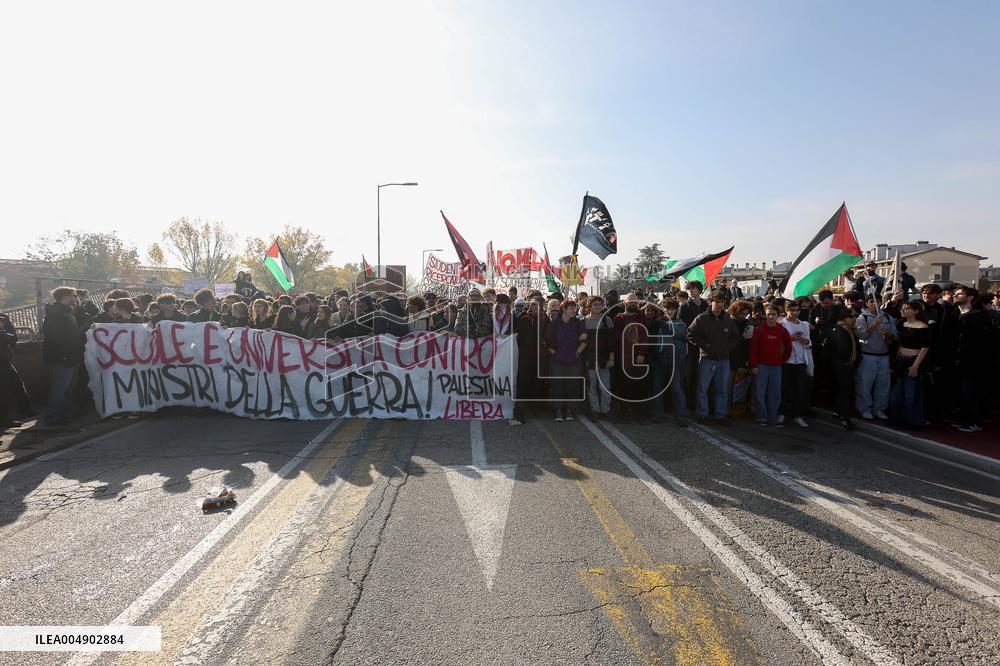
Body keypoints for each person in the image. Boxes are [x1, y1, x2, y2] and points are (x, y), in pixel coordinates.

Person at [688, 292, 741, 423]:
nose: (719, 305)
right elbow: (691, 334)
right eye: (716, 301)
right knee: (702, 388)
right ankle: (701, 414)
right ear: (710, 302)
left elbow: (736, 337)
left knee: (722, 389)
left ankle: (720, 415)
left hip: (724, 360)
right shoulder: (701, 318)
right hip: (707, 359)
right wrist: (705, 345)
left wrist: (728, 348)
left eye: (722, 302)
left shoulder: (728, 320)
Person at [953, 286, 992, 432]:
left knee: (970, 393)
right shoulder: (957, 314)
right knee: (960, 393)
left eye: (959, 294)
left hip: (973, 363)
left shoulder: (978, 316)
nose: (955, 296)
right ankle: (964, 419)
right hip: (958, 361)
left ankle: (974, 422)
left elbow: (984, 342)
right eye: (955, 294)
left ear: (969, 298)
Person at [42, 287, 83, 427]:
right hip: (63, 357)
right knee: (60, 387)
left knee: (67, 387)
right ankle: (54, 417)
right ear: (66, 297)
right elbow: (54, 337)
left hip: (70, 356)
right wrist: (64, 355)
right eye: (74, 295)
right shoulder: (56, 313)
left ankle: (64, 414)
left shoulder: (66, 312)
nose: (76, 297)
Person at [888, 300, 931, 429]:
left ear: (916, 311)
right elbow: (900, 344)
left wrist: (915, 366)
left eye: (907, 309)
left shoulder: (923, 327)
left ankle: (912, 421)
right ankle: (896, 419)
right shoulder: (902, 324)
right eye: (903, 308)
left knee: (911, 394)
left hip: (913, 361)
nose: (903, 310)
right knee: (897, 393)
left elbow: (925, 347)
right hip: (901, 360)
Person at [544, 299, 587, 422]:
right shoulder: (554, 324)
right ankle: (558, 410)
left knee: (572, 385)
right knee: (557, 385)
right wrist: (556, 355)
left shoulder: (577, 323)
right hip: (557, 361)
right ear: (564, 309)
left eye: (575, 308)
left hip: (573, 360)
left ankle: (570, 410)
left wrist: (577, 353)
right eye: (571, 308)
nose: (574, 310)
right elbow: (548, 342)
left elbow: (584, 339)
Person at [749, 304, 792, 426]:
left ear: (778, 316)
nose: (771, 317)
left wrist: (781, 360)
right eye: (768, 314)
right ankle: (761, 417)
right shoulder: (759, 329)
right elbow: (753, 349)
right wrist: (754, 365)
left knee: (775, 393)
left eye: (773, 314)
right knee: (760, 392)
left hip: (776, 367)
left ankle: (772, 417)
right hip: (761, 366)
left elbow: (789, 348)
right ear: (765, 315)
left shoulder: (782, 330)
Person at [855, 295, 896, 420]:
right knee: (865, 384)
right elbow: (861, 335)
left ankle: (879, 409)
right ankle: (865, 409)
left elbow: (894, 337)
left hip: (884, 356)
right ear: (867, 304)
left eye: (877, 301)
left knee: (883, 385)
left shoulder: (888, 318)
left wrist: (887, 334)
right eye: (871, 301)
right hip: (868, 356)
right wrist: (873, 325)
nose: (875, 304)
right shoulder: (862, 318)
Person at [613, 294, 649, 421]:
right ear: (624, 303)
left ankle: (638, 414)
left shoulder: (641, 317)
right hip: (622, 357)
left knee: (638, 386)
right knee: (623, 386)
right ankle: (623, 413)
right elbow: (617, 338)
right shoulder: (618, 318)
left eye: (635, 302)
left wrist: (641, 354)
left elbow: (644, 337)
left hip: (637, 357)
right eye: (630, 302)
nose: (633, 304)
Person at [512, 298, 545, 425]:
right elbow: (520, 336)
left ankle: (533, 409)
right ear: (529, 306)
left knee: (536, 383)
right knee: (523, 383)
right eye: (533, 305)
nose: (535, 308)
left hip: (539, 357)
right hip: (525, 356)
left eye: (538, 305)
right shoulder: (523, 318)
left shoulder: (544, 319)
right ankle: (520, 411)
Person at [779, 300, 812, 427]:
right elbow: (778, 341)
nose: (795, 313)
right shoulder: (781, 324)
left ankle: (797, 415)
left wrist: (802, 339)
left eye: (797, 310)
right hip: (786, 360)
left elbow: (809, 343)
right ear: (786, 311)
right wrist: (790, 338)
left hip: (801, 361)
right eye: (792, 310)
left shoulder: (804, 325)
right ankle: (781, 413)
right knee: (784, 388)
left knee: (799, 389)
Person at [828, 309, 861, 430]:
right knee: (843, 391)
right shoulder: (840, 331)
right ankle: (844, 417)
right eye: (851, 316)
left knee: (842, 390)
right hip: (842, 366)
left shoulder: (850, 330)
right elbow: (842, 349)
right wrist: (848, 362)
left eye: (854, 316)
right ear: (843, 319)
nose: (854, 318)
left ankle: (838, 411)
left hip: (846, 365)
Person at [0, 311, 34, 427]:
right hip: (3, 362)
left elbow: (12, 338)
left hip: (5, 361)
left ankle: (25, 409)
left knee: (17, 385)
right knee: (3, 391)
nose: (2, 323)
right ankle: (3, 418)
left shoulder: (4, 320)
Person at [583, 295, 614, 418]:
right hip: (589, 357)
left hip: (604, 357)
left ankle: (605, 410)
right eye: (595, 304)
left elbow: (611, 342)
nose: (597, 307)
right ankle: (594, 410)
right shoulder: (583, 321)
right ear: (589, 306)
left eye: (600, 304)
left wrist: (611, 358)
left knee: (605, 386)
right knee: (592, 386)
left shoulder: (607, 320)